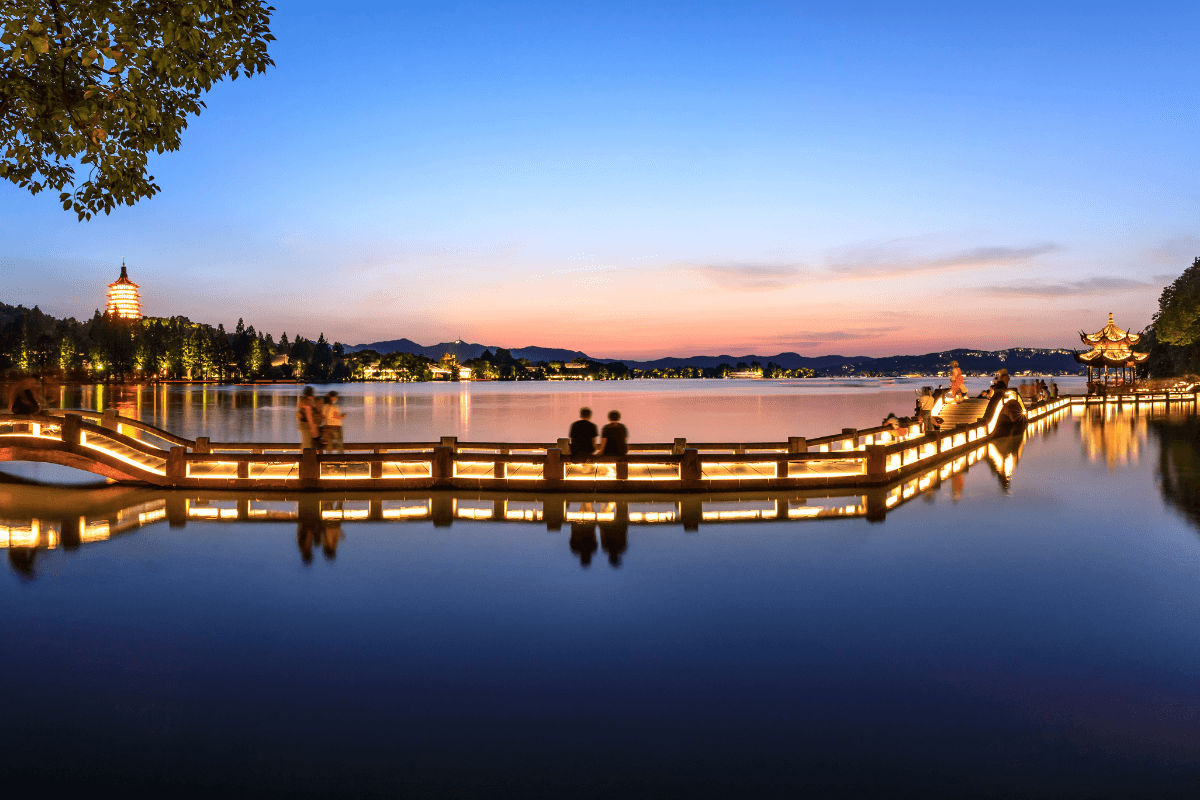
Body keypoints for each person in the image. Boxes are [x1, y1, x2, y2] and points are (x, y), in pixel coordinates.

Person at [297, 386, 321, 450]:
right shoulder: (308, 402)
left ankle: (304, 456)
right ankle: (306, 458)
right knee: (307, 443)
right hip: (308, 424)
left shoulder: (302, 401)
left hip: (304, 424)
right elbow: (309, 415)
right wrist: (312, 426)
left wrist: (299, 424)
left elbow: (299, 414)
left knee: (305, 442)